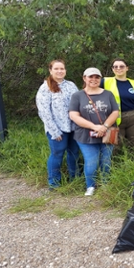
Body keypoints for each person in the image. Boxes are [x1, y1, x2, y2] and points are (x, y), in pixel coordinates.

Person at [69, 68, 119, 196]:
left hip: (108, 133)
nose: (94, 79)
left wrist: (105, 126)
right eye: (91, 77)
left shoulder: (108, 94)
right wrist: (94, 127)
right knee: (91, 162)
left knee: (106, 161)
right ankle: (90, 186)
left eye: (97, 77)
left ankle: (105, 183)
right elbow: (74, 115)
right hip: (85, 135)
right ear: (84, 78)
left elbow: (115, 112)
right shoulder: (77, 96)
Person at [35, 59, 80, 189]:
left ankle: (75, 178)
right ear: (50, 70)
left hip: (73, 127)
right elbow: (44, 112)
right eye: (56, 69)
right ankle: (54, 183)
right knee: (57, 154)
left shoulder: (71, 85)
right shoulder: (45, 88)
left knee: (74, 152)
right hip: (57, 129)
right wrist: (54, 131)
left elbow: (79, 104)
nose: (60, 71)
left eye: (62, 69)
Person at [101, 58, 134, 149]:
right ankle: (115, 163)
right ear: (112, 69)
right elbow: (91, 91)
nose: (118, 68)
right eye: (115, 67)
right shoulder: (105, 81)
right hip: (115, 118)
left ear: (127, 68)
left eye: (121, 66)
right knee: (114, 145)